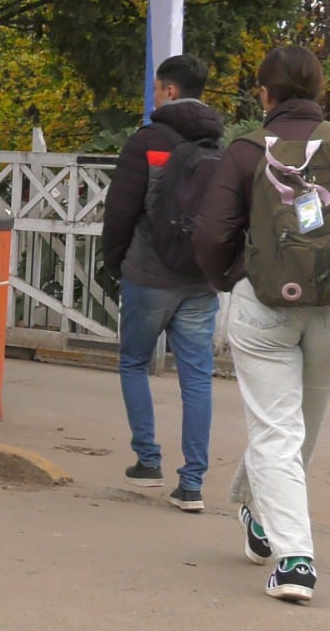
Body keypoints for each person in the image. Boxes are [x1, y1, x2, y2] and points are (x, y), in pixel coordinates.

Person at [193, 45, 330, 603]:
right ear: (319, 91)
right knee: (299, 426)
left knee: (276, 428)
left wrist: (234, 278)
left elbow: (211, 234)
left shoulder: (244, 151)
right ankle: (265, 525)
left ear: (265, 93)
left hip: (263, 305)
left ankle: (295, 562)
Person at [101, 54, 223, 512]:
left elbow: (121, 213)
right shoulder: (217, 145)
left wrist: (117, 263)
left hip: (150, 275)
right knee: (197, 379)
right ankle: (191, 484)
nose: (154, 95)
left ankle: (148, 461)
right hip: (199, 279)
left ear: (169, 90)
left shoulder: (147, 142)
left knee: (134, 362)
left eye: (156, 88)